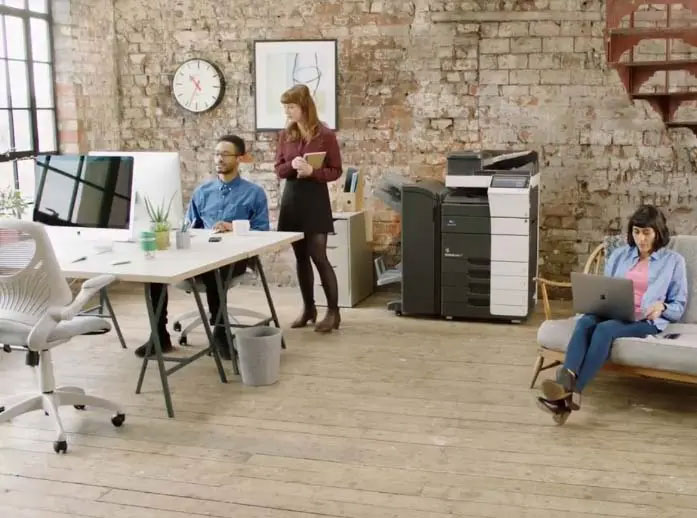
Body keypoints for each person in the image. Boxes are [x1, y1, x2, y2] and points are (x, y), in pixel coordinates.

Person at [537, 205, 687, 423]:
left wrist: (662, 307)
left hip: (646, 319)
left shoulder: (673, 261)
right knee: (586, 322)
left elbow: (679, 305)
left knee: (604, 330)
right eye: (636, 232)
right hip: (613, 310)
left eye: (647, 233)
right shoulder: (620, 255)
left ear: (658, 232)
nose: (641, 238)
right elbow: (605, 289)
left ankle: (568, 392)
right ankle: (566, 388)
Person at [135, 134, 270, 359]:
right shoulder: (202, 192)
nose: (219, 159)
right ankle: (159, 335)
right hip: (203, 252)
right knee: (154, 272)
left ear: (240, 159)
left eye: (225, 154)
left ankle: (221, 333)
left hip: (234, 258)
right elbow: (190, 226)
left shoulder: (253, 193)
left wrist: (232, 227)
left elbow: (262, 231)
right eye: (217, 154)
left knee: (213, 268)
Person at [274, 84, 343, 333]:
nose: (287, 112)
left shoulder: (325, 135)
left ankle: (333, 313)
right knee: (300, 258)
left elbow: (336, 170)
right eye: (285, 107)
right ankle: (309, 308)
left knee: (319, 256)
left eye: (291, 107)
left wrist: (313, 171)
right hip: (292, 201)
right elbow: (279, 170)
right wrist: (292, 165)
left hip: (315, 200)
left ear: (304, 107)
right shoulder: (286, 135)